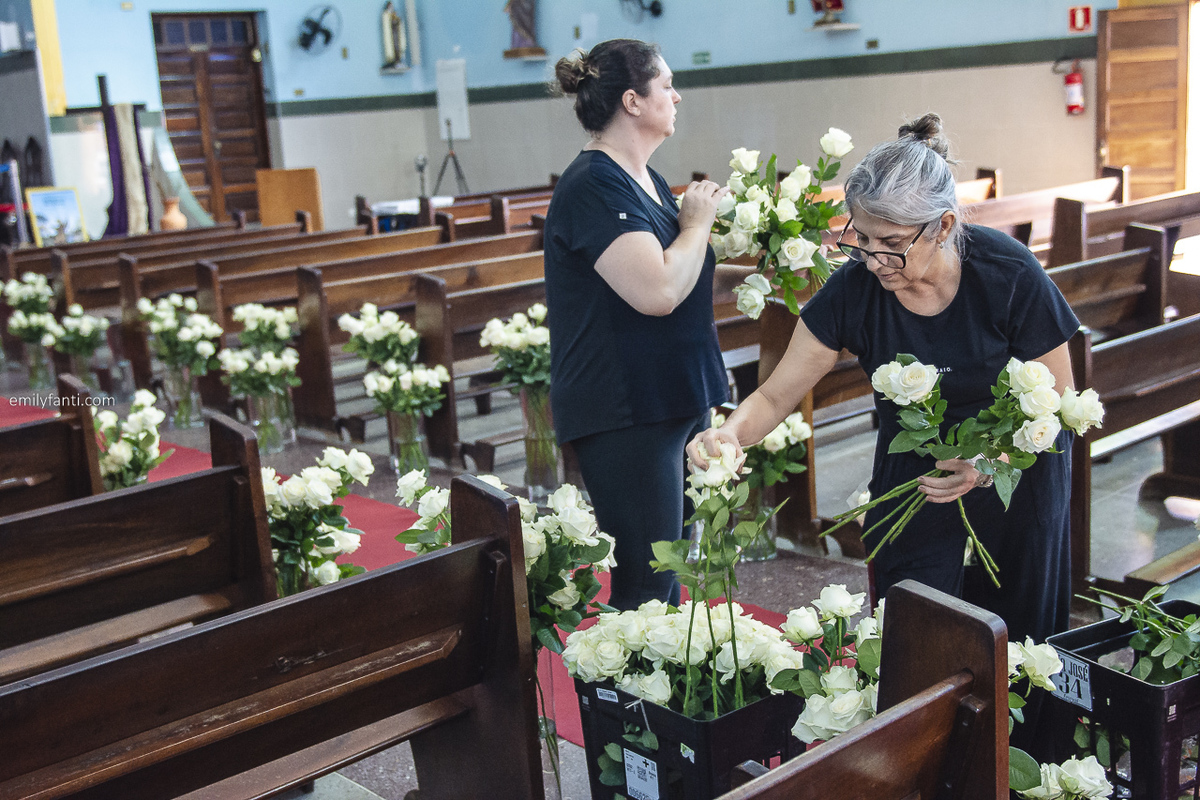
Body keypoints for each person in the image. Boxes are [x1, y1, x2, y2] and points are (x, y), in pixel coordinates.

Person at [688, 113, 1079, 648]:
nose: (873, 261)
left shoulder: (1006, 272)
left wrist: (990, 462)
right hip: (914, 470)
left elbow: (1059, 400)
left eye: (890, 242)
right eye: (861, 239)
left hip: (1018, 464)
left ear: (942, 226)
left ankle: (1027, 734)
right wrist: (730, 435)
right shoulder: (857, 289)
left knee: (1023, 634)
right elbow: (776, 393)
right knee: (913, 626)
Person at [544, 39, 730, 610]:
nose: (677, 96)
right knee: (648, 583)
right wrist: (697, 223)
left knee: (673, 571)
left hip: (673, 396)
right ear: (632, 100)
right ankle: (626, 700)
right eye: (666, 85)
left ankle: (667, 695)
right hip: (627, 408)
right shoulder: (593, 185)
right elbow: (657, 291)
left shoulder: (643, 176)